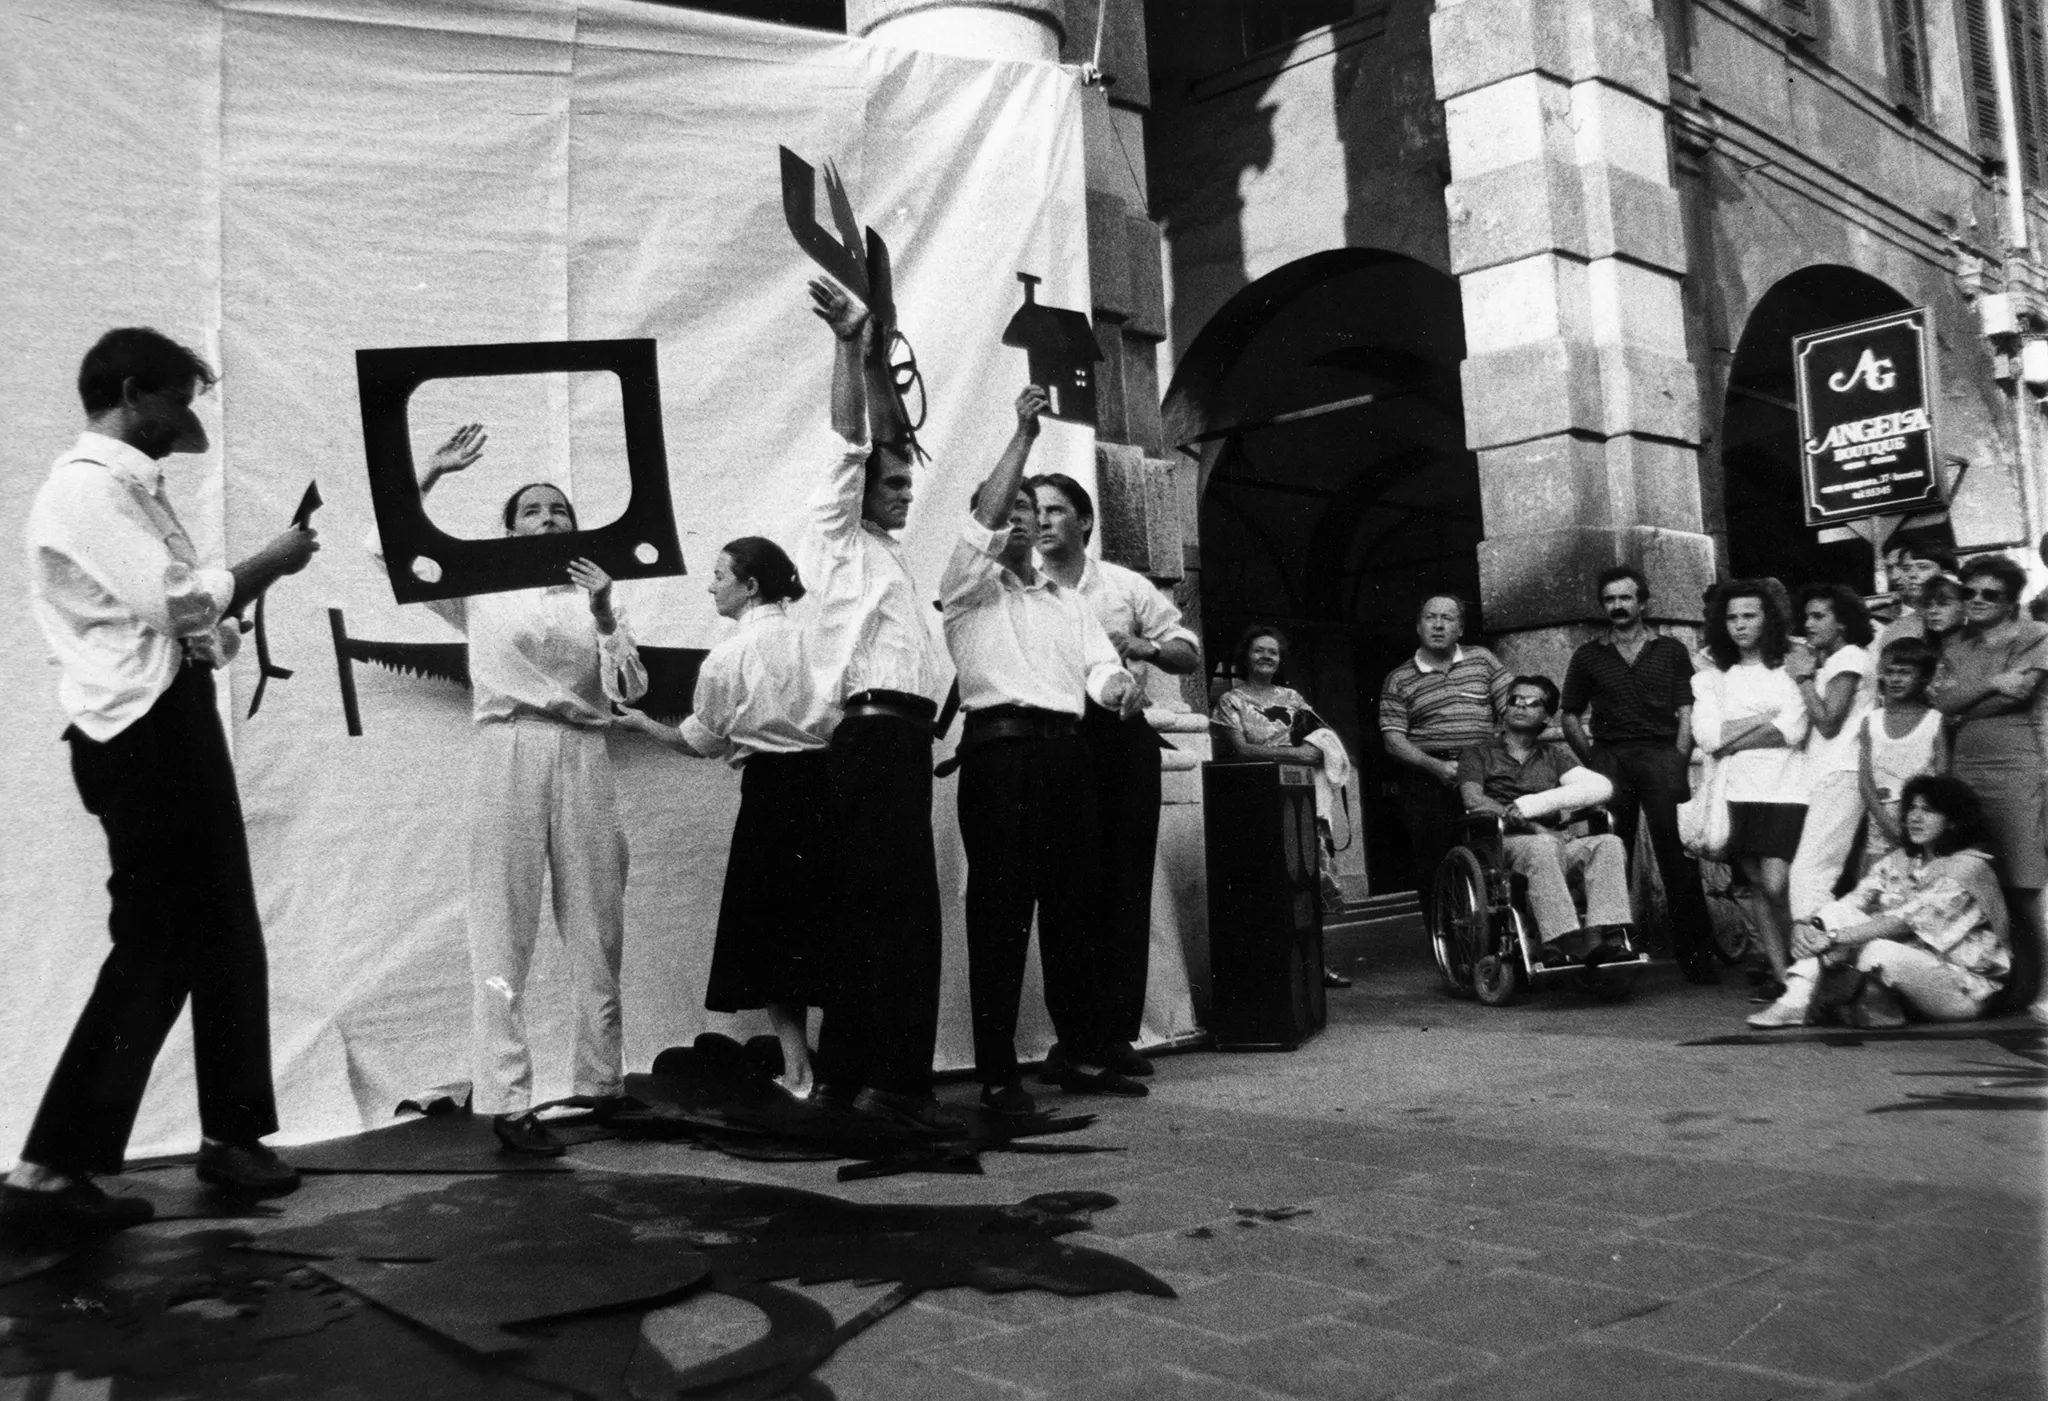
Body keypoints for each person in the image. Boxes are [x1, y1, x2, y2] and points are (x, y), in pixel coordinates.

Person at [9, 328, 316, 1229]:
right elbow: (176, 599)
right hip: (138, 733)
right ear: (135, 392)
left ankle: (232, 1137)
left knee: (222, 929)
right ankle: (46, 1172)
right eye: (179, 399)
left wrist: (223, 612)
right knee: (158, 940)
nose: (189, 419)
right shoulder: (87, 489)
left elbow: (183, 622)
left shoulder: (128, 488)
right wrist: (268, 561)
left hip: (164, 718)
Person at [385, 425, 648, 1156]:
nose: (546, 518)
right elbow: (396, 553)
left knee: (598, 917)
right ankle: (506, 1097)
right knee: (503, 922)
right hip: (506, 746)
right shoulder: (481, 586)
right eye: (531, 509)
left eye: (558, 509)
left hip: (585, 749)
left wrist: (603, 612)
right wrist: (429, 474)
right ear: (507, 528)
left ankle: (603, 1085)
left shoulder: (599, 596)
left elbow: (630, 687)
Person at [942, 385, 1144, 1114]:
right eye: (1013, 509)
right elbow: (982, 520)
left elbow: (1099, 668)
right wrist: (1023, 436)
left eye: (1035, 509)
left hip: (1068, 756)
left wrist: (1118, 685)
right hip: (1000, 755)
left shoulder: (1069, 602)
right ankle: (999, 1072)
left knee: (1075, 909)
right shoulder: (966, 588)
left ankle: (1083, 1053)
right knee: (1000, 912)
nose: (1025, 518)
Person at [799, 280, 953, 1135]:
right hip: (873, 738)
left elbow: (886, 438)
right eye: (888, 482)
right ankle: (896, 1085)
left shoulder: (889, 558)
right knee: (901, 917)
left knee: (867, 910)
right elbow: (849, 442)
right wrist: (851, 347)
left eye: (903, 481)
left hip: (893, 746)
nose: (900, 490)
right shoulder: (837, 538)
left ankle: (846, 1077)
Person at [616, 539, 832, 1098]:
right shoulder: (822, 637)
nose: (710, 586)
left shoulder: (728, 658)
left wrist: (642, 725)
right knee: (831, 926)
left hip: (774, 798)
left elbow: (702, 742)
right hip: (834, 789)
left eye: (718, 575)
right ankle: (831, 1067)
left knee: (774, 933)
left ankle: (800, 1072)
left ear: (750, 585)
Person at [1030, 472, 1200, 1077]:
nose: (1044, 521)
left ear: (1085, 521)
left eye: (1056, 510)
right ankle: (1072, 1039)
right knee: (1064, 889)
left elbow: (1188, 650)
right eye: (1036, 511)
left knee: (1124, 884)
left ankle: (1115, 1036)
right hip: (1054, 739)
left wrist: (1142, 646)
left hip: (1122, 739)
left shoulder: (1126, 586)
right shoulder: (1020, 586)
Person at [1748, 775, 2011, 1027]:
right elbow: (1852, 902)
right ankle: (1794, 1001)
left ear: (1953, 821)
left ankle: (1808, 998)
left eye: (1928, 811)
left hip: (1961, 989)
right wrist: (1808, 925)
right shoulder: (1902, 860)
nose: (1915, 817)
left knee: (1879, 950)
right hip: (1906, 973)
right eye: (1912, 809)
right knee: (1837, 911)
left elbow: (1903, 922)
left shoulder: (1968, 868)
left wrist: (1832, 937)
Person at [1560, 565, 1716, 982]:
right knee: (1612, 854)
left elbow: (1687, 709)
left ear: (1642, 602)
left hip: (1662, 755)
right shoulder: (1589, 655)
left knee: (1677, 857)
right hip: (1611, 759)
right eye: (1610, 599)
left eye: (1625, 598)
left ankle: (1697, 957)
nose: (1617, 606)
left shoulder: (1670, 650)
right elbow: (1570, 715)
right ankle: (1613, 955)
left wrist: (1679, 757)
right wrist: (1593, 760)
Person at [1929, 553, 2048, 1016]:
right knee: (1981, 879)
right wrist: (1994, 684)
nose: (1975, 600)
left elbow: (2017, 695)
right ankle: (2006, 985)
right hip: (1966, 771)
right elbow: (1942, 704)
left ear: (2012, 599)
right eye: (1969, 591)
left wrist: (1966, 702)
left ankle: (2044, 989)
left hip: (2020, 769)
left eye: (1989, 594)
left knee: (2026, 884)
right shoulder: (1959, 648)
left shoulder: (2037, 636)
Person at [1211, 624, 1357, 986]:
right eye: (1259, 650)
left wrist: (1302, 754)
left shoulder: (1293, 700)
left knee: (1309, 882)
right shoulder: (1231, 701)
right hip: (1257, 801)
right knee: (1269, 884)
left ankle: (1317, 965)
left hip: (1303, 800)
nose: (1265, 656)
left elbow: (1319, 745)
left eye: (1272, 652)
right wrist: (1294, 755)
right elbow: (1240, 749)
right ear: (1245, 655)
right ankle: (1274, 969)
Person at [1458, 676, 1632, 964]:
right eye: (1515, 700)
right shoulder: (1478, 753)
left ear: (1547, 716)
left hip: (1555, 840)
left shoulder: (1554, 756)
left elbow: (1597, 788)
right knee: (1543, 847)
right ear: (1504, 708)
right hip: (1503, 844)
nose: (1520, 707)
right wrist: (1529, 823)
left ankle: (1601, 937)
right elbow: (1473, 799)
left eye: (1532, 703)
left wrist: (1538, 809)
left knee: (1608, 843)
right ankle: (1561, 940)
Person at [1692, 581, 1810, 996]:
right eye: (1733, 617)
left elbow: (1793, 729)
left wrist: (1731, 737)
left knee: (1780, 884)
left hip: (1788, 788)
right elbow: (1706, 737)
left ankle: (1807, 970)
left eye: (1750, 615)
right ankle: (1783, 977)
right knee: (1758, 885)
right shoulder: (1716, 677)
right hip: (1737, 791)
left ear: (1768, 618)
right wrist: (1763, 720)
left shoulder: (1789, 665)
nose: (1741, 625)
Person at [1379, 595, 1512, 923]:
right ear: (1418, 626)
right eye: (1430, 617)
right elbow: (1393, 741)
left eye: (1447, 619)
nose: (1438, 625)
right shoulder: (1399, 679)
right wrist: (1437, 767)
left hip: (1486, 771)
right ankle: (1451, 947)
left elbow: (1512, 708)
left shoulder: (1483, 660)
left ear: (1461, 628)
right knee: (1435, 864)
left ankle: (1502, 939)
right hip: (1429, 777)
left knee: (1499, 854)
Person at [1785, 584, 1875, 920]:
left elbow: (1827, 723)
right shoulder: (1834, 660)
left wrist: (1803, 678)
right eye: (1806, 616)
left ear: (1843, 622)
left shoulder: (1849, 656)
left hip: (1842, 772)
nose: (1808, 623)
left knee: (1811, 874)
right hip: (1829, 773)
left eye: (1818, 616)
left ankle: (1810, 965)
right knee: (1819, 873)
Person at [1858, 637, 1946, 868]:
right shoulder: (1871, 721)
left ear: (1924, 677)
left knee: (1917, 876)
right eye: (1889, 671)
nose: (1895, 679)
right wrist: (1885, 821)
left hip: (1920, 814)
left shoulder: (1934, 721)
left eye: (1905, 672)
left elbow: (1942, 778)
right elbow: (1865, 779)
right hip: (1881, 813)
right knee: (1874, 883)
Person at [1873, 540, 1960, 654]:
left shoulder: (1972, 615)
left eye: (1923, 567)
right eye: (1907, 569)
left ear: (1947, 574)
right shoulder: (1897, 630)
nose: (1912, 575)